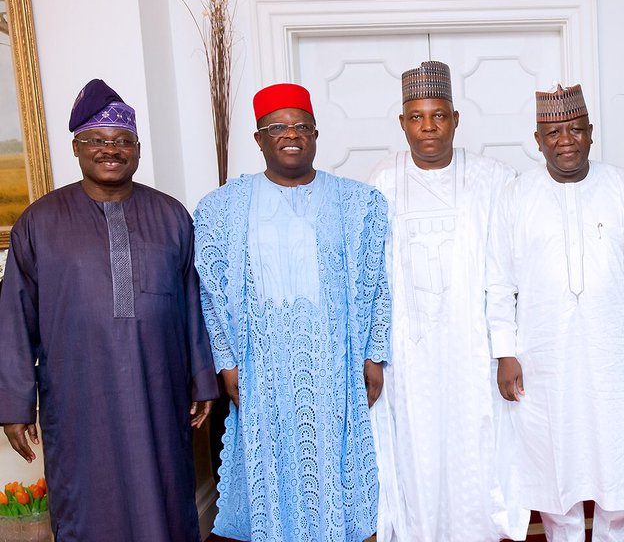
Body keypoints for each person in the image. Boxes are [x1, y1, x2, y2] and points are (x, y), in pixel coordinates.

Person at [0, 80, 218, 541]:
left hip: (159, 388)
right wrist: (15, 405)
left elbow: (194, 304)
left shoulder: (171, 216)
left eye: (122, 141)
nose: (110, 150)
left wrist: (202, 377)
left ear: (137, 150)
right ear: (76, 148)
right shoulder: (39, 221)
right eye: (96, 140)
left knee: (164, 490)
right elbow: (14, 319)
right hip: (77, 395)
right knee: (87, 499)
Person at [194, 83, 391, 542]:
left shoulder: (358, 203)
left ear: (316, 135)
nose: (291, 135)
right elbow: (212, 292)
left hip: (335, 361)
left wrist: (374, 353)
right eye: (277, 127)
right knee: (273, 463)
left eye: (302, 126)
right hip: (262, 363)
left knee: (336, 464)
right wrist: (226, 362)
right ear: (258, 139)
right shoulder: (221, 208)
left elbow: (376, 282)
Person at [488, 84, 624, 542]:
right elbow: (498, 281)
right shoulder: (516, 196)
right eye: (553, 132)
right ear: (537, 140)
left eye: (576, 129)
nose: (566, 140)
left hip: (615, 354)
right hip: (544, 360)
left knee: (619, 478)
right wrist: (505, 352)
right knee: (555, 483)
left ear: (591, 132)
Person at [369, 61, 522, 542]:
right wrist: (373, 352)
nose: (428, 127)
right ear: (402, 123)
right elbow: (371, 278)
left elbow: (505, 273)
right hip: (407, 355)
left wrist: (505, 349)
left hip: (473, 348)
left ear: (456, 118)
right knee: (416, 453)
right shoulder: (382, 182)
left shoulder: (493, 178)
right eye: (416, 117)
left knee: (475, 449)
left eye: (438, 115)